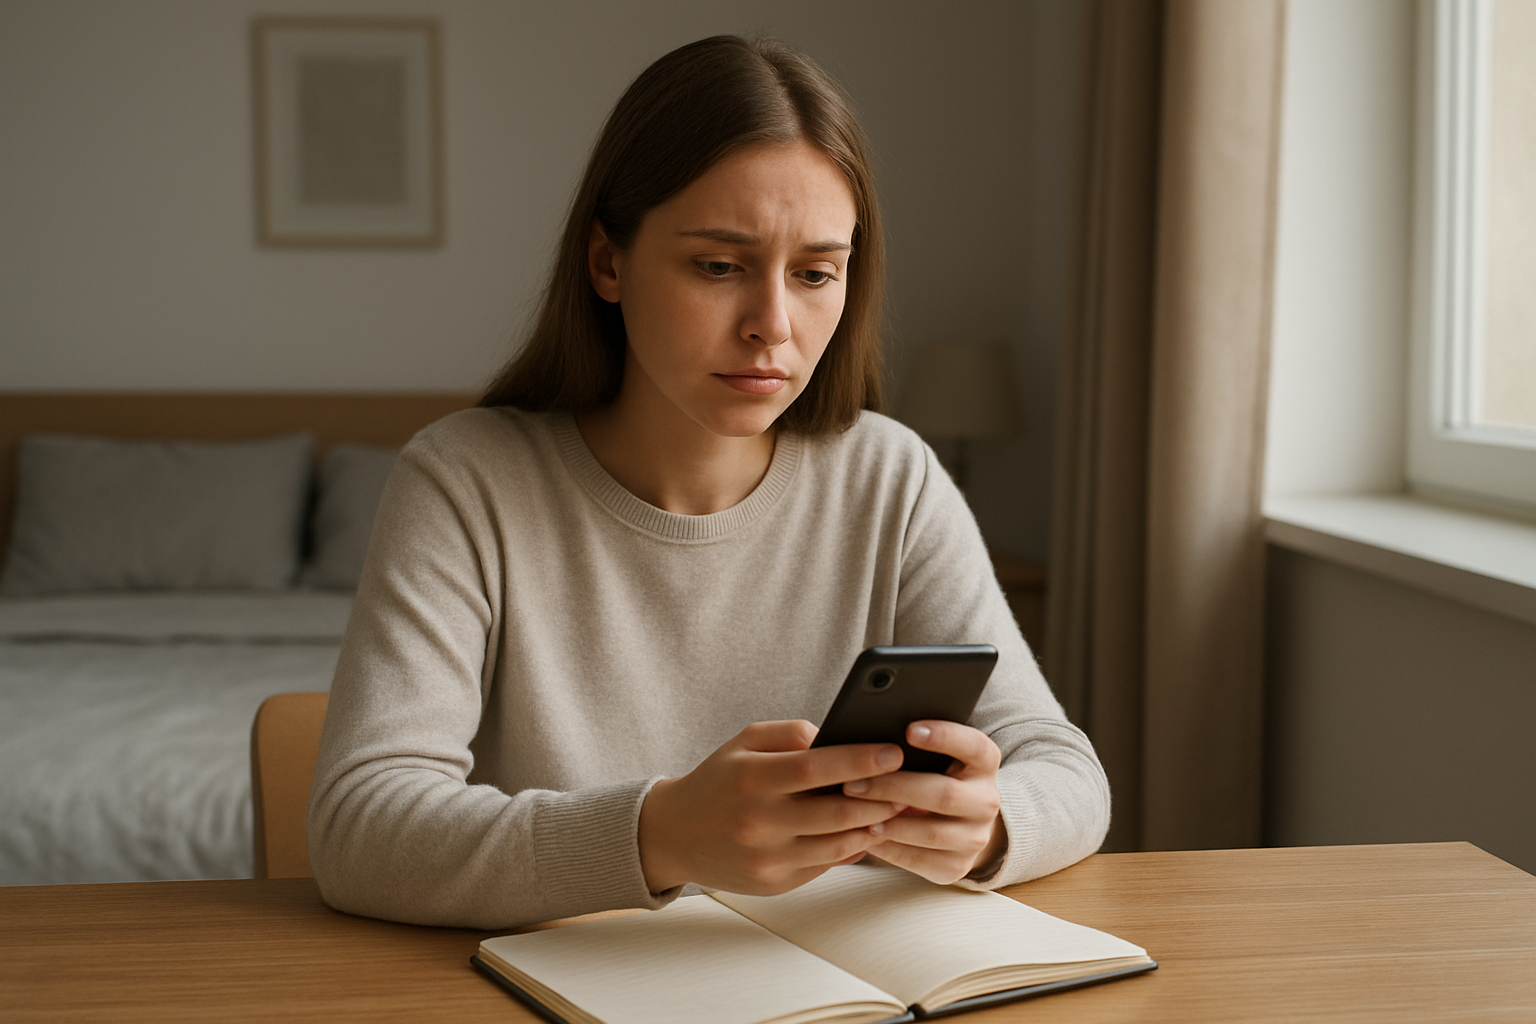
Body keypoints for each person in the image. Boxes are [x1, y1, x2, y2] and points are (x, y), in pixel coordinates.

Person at [307, 34, 1109, 930]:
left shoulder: (891, 477)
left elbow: (1066, 770)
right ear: (608, 263)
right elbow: (359, 829)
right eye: (718, 267)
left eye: (815, 274)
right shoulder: (465, 480)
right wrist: (662, 836)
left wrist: (992, 826)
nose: (774, 325)